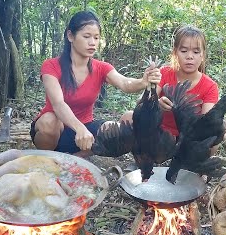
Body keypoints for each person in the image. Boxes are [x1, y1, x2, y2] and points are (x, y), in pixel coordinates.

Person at [30, 10, 162, 156]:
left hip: (87, 134)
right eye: (86, 36)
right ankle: (47, 158)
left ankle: (77, 158)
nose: (92, 42)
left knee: (128, 123)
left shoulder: (101, 67)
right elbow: (58, 104)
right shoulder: (51, 65)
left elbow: (126, 83)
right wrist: (79, 128)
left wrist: (143, 81)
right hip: (56, 132)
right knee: (49, 121)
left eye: (96, 38)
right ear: (70, 36)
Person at [121, 24, 226, 155]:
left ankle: (197, 171)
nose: (190, 56)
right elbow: (140, 106)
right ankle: (142, 161)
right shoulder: (164, 73)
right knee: (128, 117)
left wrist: (221, 128)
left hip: (188, 141)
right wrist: (155, 104)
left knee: (213, 135)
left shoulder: (210, 86)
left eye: (196, 52)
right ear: (175, 53)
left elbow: (207, 122)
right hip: (158, 136)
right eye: (184, 51)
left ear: (203, 55)